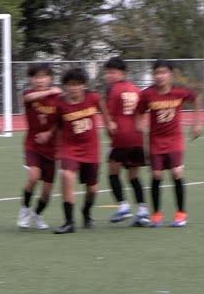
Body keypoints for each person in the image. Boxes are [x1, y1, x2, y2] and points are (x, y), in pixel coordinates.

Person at [136, 60, 202, 227]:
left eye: (163, 72)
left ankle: (181, 214)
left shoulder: (179, 92)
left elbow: (196, 98)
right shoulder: (147, 94)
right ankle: (156, 215)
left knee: (177, 173)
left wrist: (197, 123)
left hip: (174, 139)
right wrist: (139, 126)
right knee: (156, 175)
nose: (160, 76)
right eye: (157, 73)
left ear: (170, 75)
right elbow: (139, 111)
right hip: (155, 140)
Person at [53, 68, 115, 234]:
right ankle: (68, 222)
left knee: (92, 189)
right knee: (66, 176)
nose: (74, 88)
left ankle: (86, 212)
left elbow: (104, 110)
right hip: (70, 148)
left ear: (84, 85)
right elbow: (58, 127)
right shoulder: (60, 104)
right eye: (70, 85)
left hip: (91, 148)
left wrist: (109, 124)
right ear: (65, 86)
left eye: (77, 84)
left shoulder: (93, 97)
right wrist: (57, 148)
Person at [103, 57, 150, 226]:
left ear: (122, 73)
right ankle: (143, 211)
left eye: (112, 72)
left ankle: (123, 206)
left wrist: (111, 133)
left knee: (113, 173)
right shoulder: (136, 89)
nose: (108, 76)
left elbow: (109, 117)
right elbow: (142, 112)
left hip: (121, 137)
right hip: (137, 138)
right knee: (133, 176)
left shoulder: (113, 90)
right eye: (107, 72)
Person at [17, 63, 62, 230]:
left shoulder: (58, 100)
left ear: (50, 78)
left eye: (43, 76)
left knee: (47, 191)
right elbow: (27, 99)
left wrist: (49, 134)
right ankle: (24, 210)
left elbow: (60, 121)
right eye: (36, 77)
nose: (40, 80)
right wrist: (50, 91)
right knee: (33, 177)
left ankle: (37, 215)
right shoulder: (29, 94)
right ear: (31, 79)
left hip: (52, 148)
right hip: (33, 145)